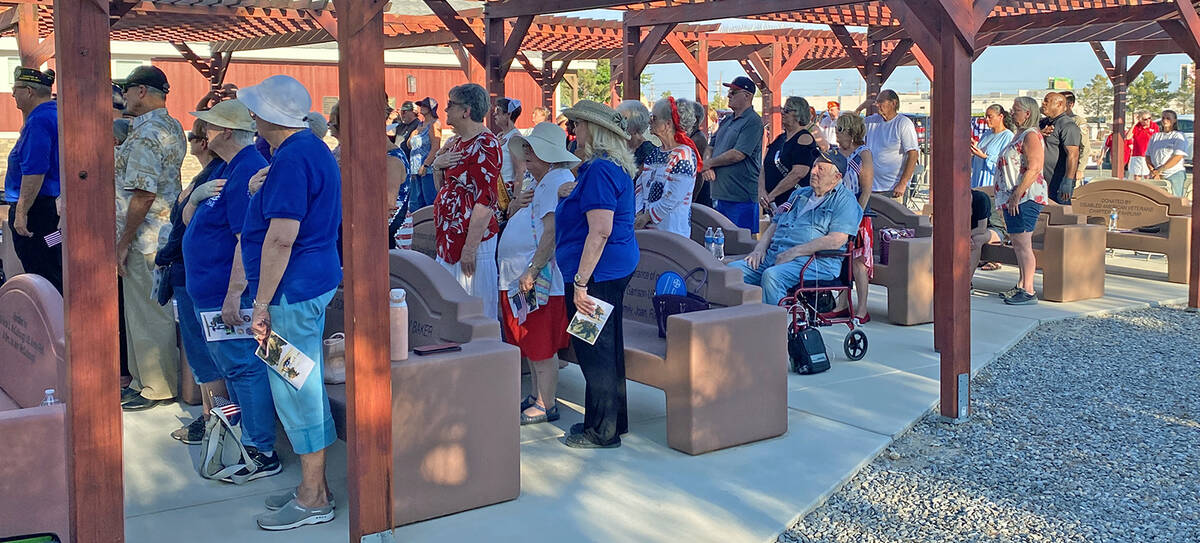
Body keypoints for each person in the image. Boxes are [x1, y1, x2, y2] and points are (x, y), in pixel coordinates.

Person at [238, 75, 341, 529]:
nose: (252, 116)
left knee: (296, 388)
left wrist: (260, 304)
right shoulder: (309, 150)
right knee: (303, 384)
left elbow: (281, 238)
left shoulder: (292, 158)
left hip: (290, 293)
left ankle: (314, 495)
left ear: (270, 115)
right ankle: (311, 484)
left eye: (257, 109)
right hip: (307, 285)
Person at [180, 100, 280, 477]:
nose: (201, 131)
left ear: (223, 131)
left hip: (225, 292)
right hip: (208, 290)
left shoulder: (246, 170)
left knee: (243, 367)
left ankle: (260, 450)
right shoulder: (226, 167)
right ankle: (245, 441)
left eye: (207, 125)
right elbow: (190, 216)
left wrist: (234, 294)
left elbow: (246, 240)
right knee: (231, 366)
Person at [556, 100, 640, 449]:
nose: (574, 132)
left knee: (595, 350)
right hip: (611, 269)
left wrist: (581, 284)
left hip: (598, 275)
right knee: (607, 347)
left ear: (596, 132)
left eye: (579, 125)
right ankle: (611, 422)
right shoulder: (606, 168)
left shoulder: (600, 170)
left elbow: (600, 229)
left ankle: (601, 431)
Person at [114, 65, 187, 411]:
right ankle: (144, 379)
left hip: (145, 236)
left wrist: (123, 240)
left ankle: (157, 385)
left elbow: (142, 194)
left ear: (141, 91)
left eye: (126, 89)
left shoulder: (146, 134)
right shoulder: (170, 125)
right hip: (163, 231)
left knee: (147, 312)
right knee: (142, 310)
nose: (123, 97)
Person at [497, 122, 578, 425]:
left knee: (540, 342)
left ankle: (546, 403)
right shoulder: (542, 181)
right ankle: (537, 397)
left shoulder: (558, 178)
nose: (527, 156)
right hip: (521, 275)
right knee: (531, 341)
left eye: (533, 151)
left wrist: (533, 269)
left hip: (537, 278)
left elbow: (551, 231)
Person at [158, 117, 228, 442]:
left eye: (193, 135)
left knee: (202, 351)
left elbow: (192, 222)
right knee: (201, 349)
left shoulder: (215, 176)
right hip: (187, 272)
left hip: (195, 274)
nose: (190, 140)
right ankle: (212, 418)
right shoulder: (206, 174)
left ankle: (213, 421)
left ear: (202, 142)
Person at [730, 150, 862, 306]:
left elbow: (835, 240)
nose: (813, 172)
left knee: (772, 276)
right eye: (814, 166)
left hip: (815, 262)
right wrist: (759, 249)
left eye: (820, 169)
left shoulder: (845, 201)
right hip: (777, 255)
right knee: (731, 272)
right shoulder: (799, 194)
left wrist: (794, 252)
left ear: (837, 177)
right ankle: (738, 322)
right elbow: (775, 224)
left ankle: (775, 327)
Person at [430, 84, 501, 320]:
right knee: (449, 311)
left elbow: (485, 200)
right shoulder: (456, 143)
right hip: (449, 239)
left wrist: (469, 249)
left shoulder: (486, 145)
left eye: (450, 104)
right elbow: (445, 190)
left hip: (471, 244)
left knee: (474, 312)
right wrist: (437, 167)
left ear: (466, 111)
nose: (445, 109)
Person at [5, 67, 63, 293]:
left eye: (16, 89)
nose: (12, 95)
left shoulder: (38, 121)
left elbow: (35, 170)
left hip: (36, 213)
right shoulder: (56, 114)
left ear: (28, 91)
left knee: (41, 270)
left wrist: (21, 213)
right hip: (49, 211)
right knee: (53, 258)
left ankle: (51, 323)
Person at [996, 96, 1050, 306]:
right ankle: (1021, 284)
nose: (1012, 112)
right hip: (1012, 196)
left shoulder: (1031, 136)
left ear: (1027, 113)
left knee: (1023, 243)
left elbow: (1035, 167)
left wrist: (1017, 194)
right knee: (1018, 243)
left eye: (1016, 109)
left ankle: (1028, 289)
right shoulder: (1018, 135)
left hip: (1025, 196)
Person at [701, 76, 765, 233]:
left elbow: (739, 154)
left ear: (747, 95)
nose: (729, 95)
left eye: (733, 92)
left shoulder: (753, 121)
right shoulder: (727, 120)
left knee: (741, 243)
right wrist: (707, 166)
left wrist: (709, 164)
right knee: (720, 243)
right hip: (719, 194)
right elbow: (710, 146)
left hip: (741, 196)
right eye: (729, 91)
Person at [633, 97, 701, 237]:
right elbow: (640, 185)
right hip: (648, 230)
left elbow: (673, 197)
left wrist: (646, 217)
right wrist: (639, 212)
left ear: (668, 124)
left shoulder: (684, 155)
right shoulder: (655, 153)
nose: (649, 121)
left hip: (672, 233)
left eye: (654, 118)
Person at [833, 113, 874, 321]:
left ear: (851, 131)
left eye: (840, 129)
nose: (837, 133)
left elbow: (866, 190)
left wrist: (856, 216)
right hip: (838, 211)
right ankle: (841, 303)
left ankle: (862, 309)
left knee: (858, 261)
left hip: (858, 212)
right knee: (840, 259)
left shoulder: (863, 154)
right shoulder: (835, 153)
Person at [759, 96, 818, 211]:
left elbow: (798, 173)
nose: (782, 113)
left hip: (793, 204)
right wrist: (762, 191)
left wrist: (772, 195)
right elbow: (765, 166)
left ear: (798, 115)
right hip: (772, 204)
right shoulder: (780, 138)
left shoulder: (804, 138)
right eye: (782, 109)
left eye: (786, 111)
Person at [864, 90, 919, 202]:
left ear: (893, 103)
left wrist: (903, 183)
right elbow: (849, 124)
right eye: (876, 102)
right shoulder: (871, 121)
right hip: (871, 187)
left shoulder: (903, 123)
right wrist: (862, 107)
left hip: (893, 188)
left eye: (881, 102)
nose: (877, 105)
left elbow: (913, 154)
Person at [1038, 92, 1081, 204]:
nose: (1043, 103)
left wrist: (1068, 180)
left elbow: (1073, 155)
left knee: (1060, 216)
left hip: (1058, 182)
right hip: (1042, 182)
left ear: (1059, 104)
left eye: (1047, 101)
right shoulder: (1042, 123)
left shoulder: (1068, 126)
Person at [493, 97, 526, 217]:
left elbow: (520, 169)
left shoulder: (515, 138)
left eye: (498, 111)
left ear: (508, 114)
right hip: (496, 188)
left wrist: (516, 199)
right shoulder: (500, 136)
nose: (494, 114)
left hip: (506, 191)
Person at [1146, 110, 1190, 197]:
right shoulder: (1155, 136)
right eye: (1163, 118)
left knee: (1175, 202)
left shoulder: (1178, 136)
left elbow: (1177, 157)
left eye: (1168, 118)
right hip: (1156, 176)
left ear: (1174, 120)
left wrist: (1159, 171)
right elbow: (1148, 155)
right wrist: (1153, 171)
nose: (1165, 120)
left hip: (1173, 174)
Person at [970, 104, 1016, 188]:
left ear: (1000, 116)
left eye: (990, 117)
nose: (986, 119)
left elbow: (1006, 163)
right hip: (977, 179)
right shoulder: (986, 135)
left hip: (991, 182)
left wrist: (985, 157)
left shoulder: (1008, 136)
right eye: (986, 117)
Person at [407, 97, 440, 209]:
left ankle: (431, 225)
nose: (422, 107)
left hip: (427, 169)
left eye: (425, 105)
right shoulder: (420, 125)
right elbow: (409, 144)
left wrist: (425, 165)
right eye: (421, 105)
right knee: (416, 203)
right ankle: (418, 226)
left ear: (431, 109)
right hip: (415, 168)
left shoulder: (434, 124)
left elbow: (435, 147)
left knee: (429, 201)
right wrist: (415, 132)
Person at [1060, 91, 1092, 181]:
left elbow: (1085, 146)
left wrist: (1080, 169)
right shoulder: (1053, 120)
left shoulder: (1078, 121)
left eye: (1061, 102)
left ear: (1071, 104)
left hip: (1071, 168)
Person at [617, 100, 656, 171]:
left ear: (634, 130)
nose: (616, 127)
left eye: (621, 124)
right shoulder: (616, 146)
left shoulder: (649, 153)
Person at [686, 100, 712, 207]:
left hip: (699, 191)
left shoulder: (698, 139)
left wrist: (692, 198)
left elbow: (698, 172)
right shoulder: (691, 137)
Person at [1126, 110, 1158, 180]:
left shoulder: (1154, 126)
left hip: (1149, 155)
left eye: (1149, 118)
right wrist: (1134, 124)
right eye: (1145, 119)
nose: (1148, 121)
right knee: (1137, 176)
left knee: (1148, 176)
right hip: (1138, 155)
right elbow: (1128, 137)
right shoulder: (1137, 127)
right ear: (1140, 119)